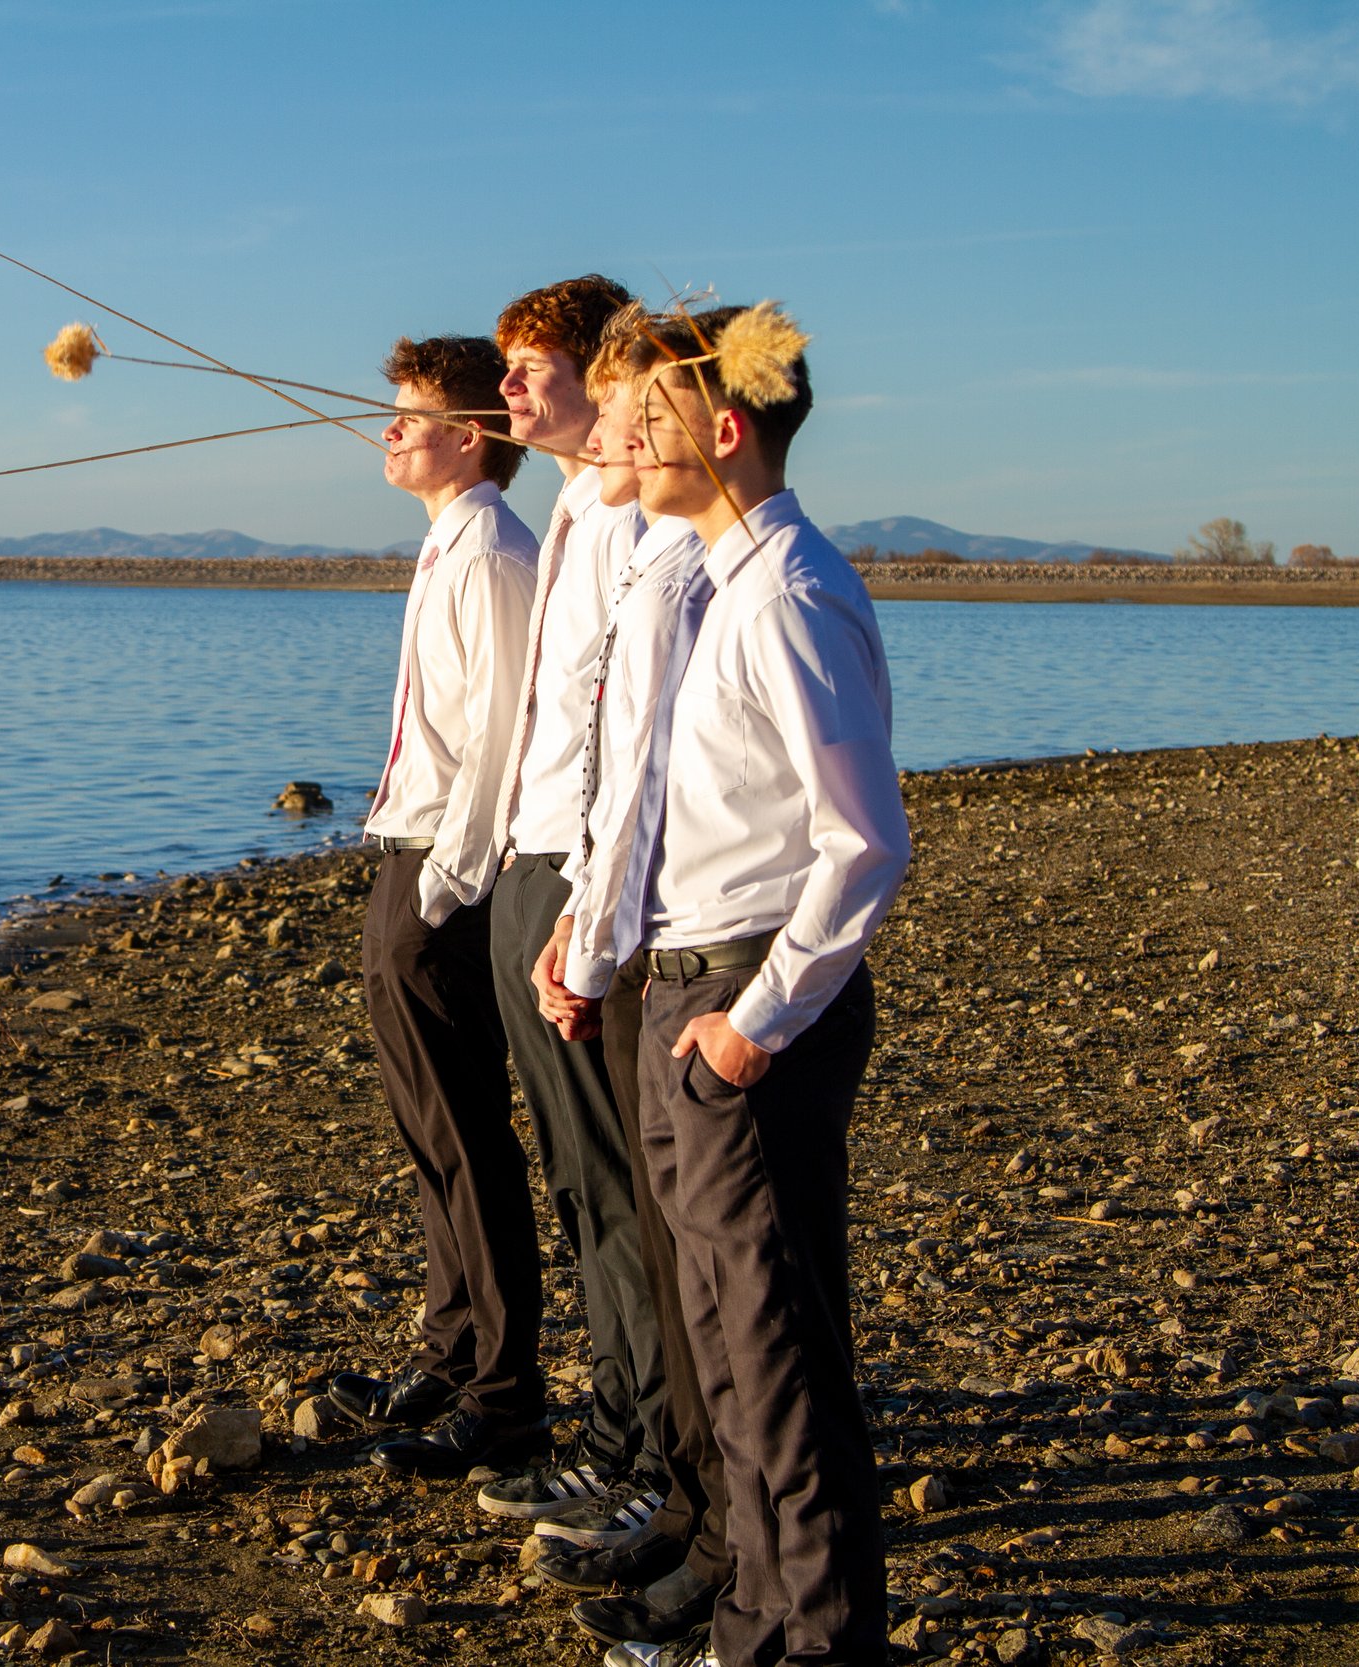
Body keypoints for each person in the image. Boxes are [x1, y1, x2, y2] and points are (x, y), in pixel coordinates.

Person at [568, 305, 910, 1667]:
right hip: (692, 992)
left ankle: (819, 1637)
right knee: (721, 1339)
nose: (621, 439)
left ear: (723, 430)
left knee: (777, 1358)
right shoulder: (718, 581)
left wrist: (749, 1029)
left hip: (748, 1003)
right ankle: (755, 1618)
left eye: (646, 416)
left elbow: (866, 839)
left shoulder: (788, 592)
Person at [520, 339, 730, 1650]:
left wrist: (598, 943)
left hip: (693, 953)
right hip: (610, 915)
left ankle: (744, 1561)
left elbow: (662, 784)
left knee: (716, 1277)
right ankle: (698, 1515)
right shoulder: (650, 548)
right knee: (644, 1229)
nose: (622, 438)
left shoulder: (732, 578)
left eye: (646, 415)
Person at [468, 278, 678, 1544]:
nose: (508, 392)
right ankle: (617, 1423)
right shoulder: (564, 501)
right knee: (575, 1180)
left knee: (614, 1180)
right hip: (531, 859)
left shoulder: (625, 512)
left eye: (528, 367)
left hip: (579, 874)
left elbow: (625, 732)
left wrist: (584, 905)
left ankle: (651, 1446)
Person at [331, 334, 545, 1478]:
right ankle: (453, 1347)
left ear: (472, 435)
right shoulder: (445, 544)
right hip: (410, 859)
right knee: (426, 1128)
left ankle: (507, 1398)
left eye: (409, 413)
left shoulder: (494, 553)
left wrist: (443, 886)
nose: (389, 428)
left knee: (468, 1135)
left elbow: (504, 743)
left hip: (446, 876)